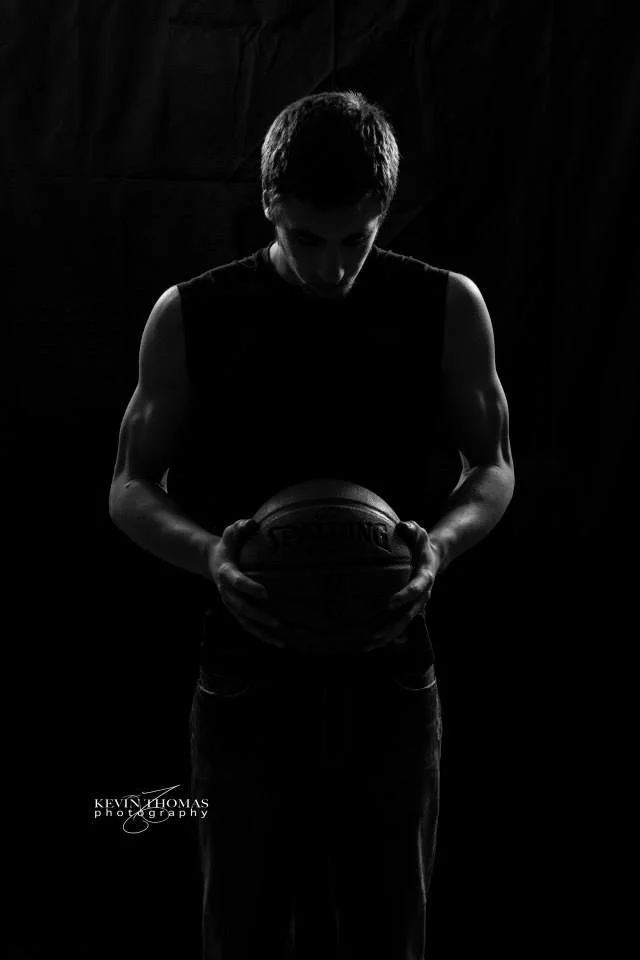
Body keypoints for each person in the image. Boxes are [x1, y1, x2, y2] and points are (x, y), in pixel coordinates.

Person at [109, 90, 514, 960]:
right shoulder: (191, 313)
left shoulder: (448, 306)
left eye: (354, 241)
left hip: (391, 667)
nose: (331, 269)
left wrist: (439, 545)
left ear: (384, 210)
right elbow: (130, 486)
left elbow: (495, 467)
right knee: (243, 934)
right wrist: (211, 554)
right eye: (305, 240)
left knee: (388, 936)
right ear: (268, 205)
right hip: (247, 672)